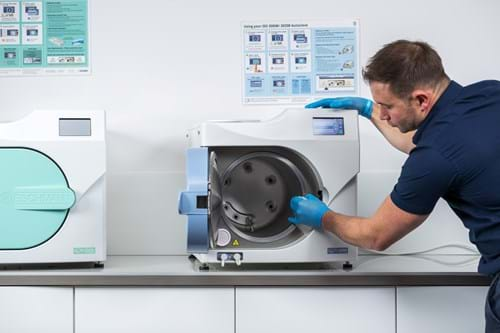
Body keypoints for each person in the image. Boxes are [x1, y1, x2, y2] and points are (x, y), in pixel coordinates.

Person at [288, 40, 500, 332]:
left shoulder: (434, 156)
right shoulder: (490, 93)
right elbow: (430, 144)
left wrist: (323, 217)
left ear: (422, 100)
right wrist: (367, 110)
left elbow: (376, 236)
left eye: (387, 106)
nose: (383, 114)